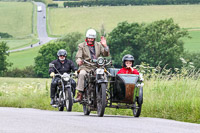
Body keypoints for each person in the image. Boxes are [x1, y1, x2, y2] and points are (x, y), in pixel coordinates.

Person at [75, 29, 110, 102]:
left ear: (94, 38)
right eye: (89, 38)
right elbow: (78, 56)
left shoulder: (99, 45)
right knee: (82, 74)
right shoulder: (81, 45)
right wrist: (79, 60)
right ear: (86, 38)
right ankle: (80, 94)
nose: (90, 40)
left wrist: (105, 45)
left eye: (92, 38)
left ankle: (104, 94)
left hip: (97, 66)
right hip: (86, 66)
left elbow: (105, 54)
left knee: (104, 75)